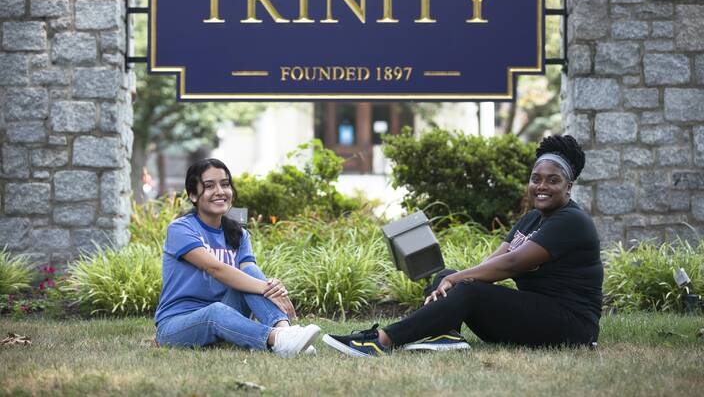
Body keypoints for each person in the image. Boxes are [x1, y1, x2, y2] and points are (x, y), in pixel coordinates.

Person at [323, 134, 603, 356]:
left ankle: (381, 341)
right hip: (539, 316)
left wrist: (460, 281)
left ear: (569, 187)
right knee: (446, 276)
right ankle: (445, 335)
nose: (542, 186)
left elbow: (512, 264)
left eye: (553, 180)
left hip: (571, 326)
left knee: (464, 286)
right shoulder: (532, 219)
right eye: (536, 179)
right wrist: (451, 281)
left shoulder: (572, 221)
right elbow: (492, 262)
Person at [154, 158, 320, 357]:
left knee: (249, 272)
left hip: (228, 316)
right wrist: (266, 287)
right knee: (217, 310)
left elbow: (249, 271)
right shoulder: (181, 229)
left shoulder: (238, 234)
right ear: (193, 195)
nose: (220, 191)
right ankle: (278, 339)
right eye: (209, 186)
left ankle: (285, 332)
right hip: (177, 325)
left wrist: (270, 285)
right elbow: (215, 269)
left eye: (225, 184)